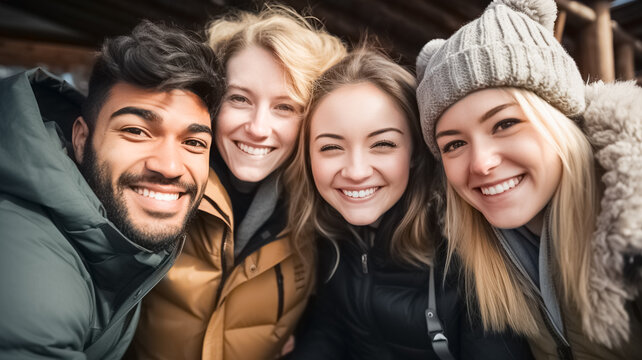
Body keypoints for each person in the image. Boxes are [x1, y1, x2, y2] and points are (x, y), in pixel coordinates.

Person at [415, 0, 642, 358]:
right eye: (454, 144)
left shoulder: (634, 223)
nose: (481, 163)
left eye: (505, 124)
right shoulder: (474, 250)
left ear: (560, 119)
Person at [127, 6, 346, 359]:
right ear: (213, 101)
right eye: (240, 99)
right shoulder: (159, 182)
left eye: (285, 107)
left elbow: (334, 320)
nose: (258, 128)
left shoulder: (324, 210)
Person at [286, 48, 533, 359]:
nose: (356, 171)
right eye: (331, 147)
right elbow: (330, 329)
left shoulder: (468, 250)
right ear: (307, 157)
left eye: (383, 144)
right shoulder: (329, 235)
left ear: (416, 152)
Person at [0, 20, 223, 359]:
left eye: (193, 142)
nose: (169, 166)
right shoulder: (31, 269)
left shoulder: (111, 233)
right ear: (81, 139)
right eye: (136, 131)